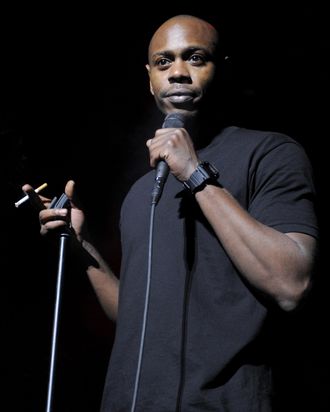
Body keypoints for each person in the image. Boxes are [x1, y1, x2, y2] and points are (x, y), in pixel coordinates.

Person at [22, 14, 318, 412]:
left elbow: (291, 284)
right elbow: (134, 315)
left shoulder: (270, 154)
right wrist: (82, 247)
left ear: (222, 69)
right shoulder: (142, 191)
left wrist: (194, 174)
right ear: (150, 79)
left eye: (195, 58)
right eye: (164, 62)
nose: (178, 73)